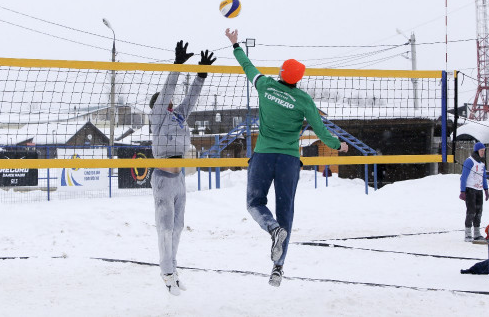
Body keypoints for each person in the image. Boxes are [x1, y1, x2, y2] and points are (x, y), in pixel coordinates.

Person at [224, 28, 349, 287]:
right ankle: (278, 269)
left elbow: (247, 67)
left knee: (254, 203)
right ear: (298, 79)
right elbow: (322, 130)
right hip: (289, 161)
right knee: (286, 213)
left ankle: (271, 229)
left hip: (263, 156)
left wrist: (235, 45)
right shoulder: (304, 100)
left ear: (281, 74)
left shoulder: (266, 85)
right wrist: (339, 145)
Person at [149, 40, 215, 295]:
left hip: (179, 180)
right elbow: (167, 90)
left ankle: (173, 271)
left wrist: (200, 75)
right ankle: (166, 273)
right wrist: (177, 65)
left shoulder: (177, 115)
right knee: (164, 228)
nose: (170, 103)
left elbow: (192, 98)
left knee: (177, 228)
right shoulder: (157, 116)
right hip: (163, 178)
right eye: (165, 102)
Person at [459, 142, 489, 243]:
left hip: (479, 190)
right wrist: (462, 191)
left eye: (484, 151)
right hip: (470, 189)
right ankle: (467, 234)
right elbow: (463, 177)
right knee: (471, 211)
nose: (482, 153)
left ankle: (477, 233)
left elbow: (483, 177)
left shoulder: (482, 163)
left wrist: (486, 189)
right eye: (481, 151)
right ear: (477, 151)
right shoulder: (469, 161)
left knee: (479, 212)